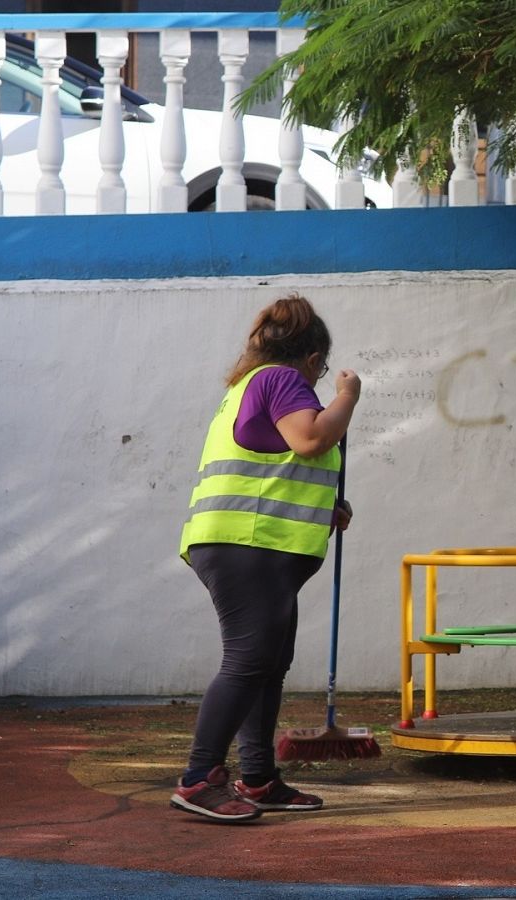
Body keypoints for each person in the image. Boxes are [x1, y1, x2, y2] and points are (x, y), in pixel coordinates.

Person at [170, 294, 360, 823]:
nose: (321, 381)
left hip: (255, 543)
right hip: (245, 543)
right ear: (311, 357)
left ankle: (256, 778)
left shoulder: (249, 387)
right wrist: (348, 397)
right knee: (249, 661)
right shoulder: (281, 380)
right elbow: (311, 438)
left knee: (268, 665)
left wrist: (325, 505)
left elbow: (277, 468)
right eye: (322, 370)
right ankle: (197, 778)